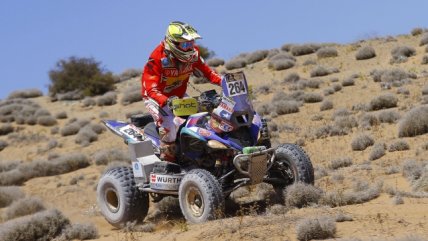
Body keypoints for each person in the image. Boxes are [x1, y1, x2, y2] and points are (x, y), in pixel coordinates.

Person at [141, 21, 222, 162]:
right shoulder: (157, 59)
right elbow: (151, 89)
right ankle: (168, 163)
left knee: (200, 121)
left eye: (192, 42)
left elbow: (209, 74)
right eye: (185, 44)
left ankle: (198, 156)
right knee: (169, 127)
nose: (190, 47)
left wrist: (226, 82)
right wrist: (166, 101)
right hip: (156, 98)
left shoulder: (193, 54)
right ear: (173, 43)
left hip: (178, 96)